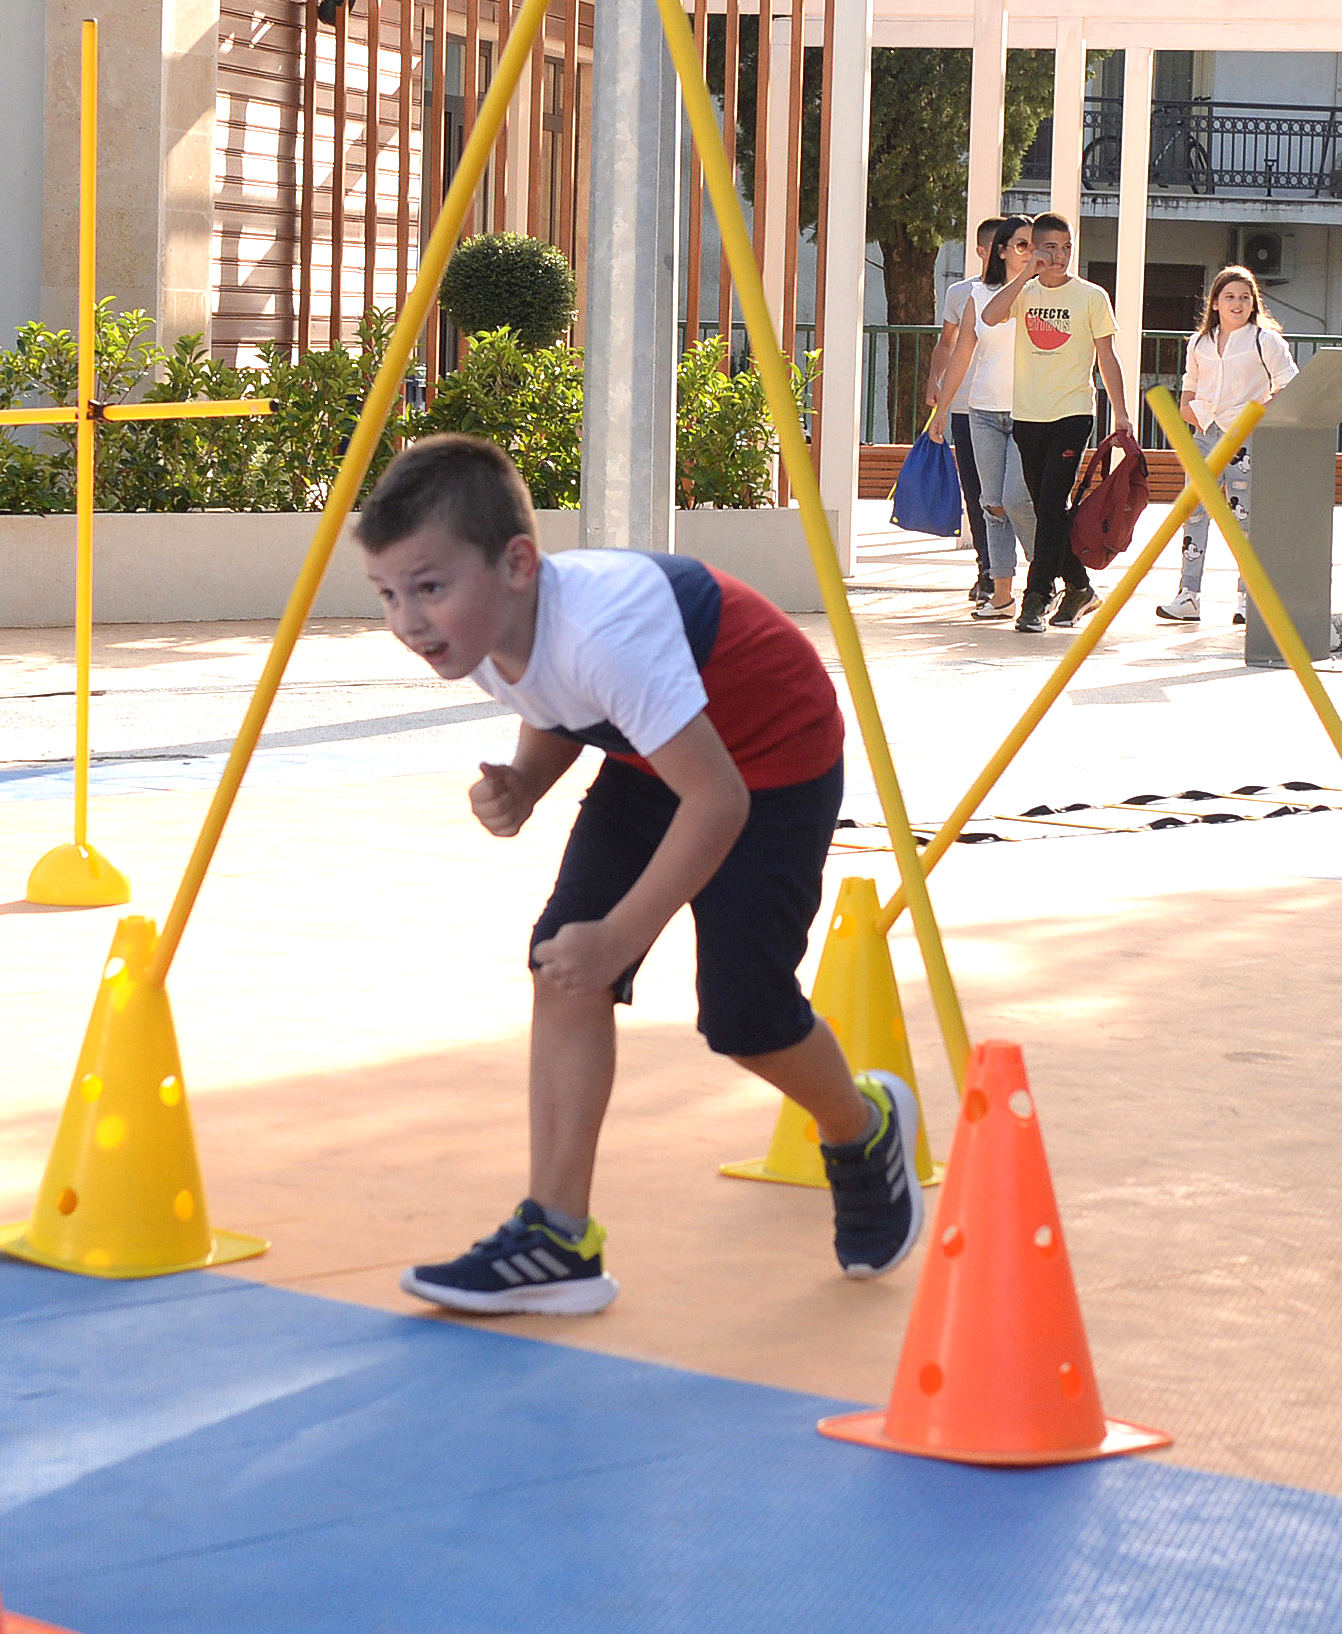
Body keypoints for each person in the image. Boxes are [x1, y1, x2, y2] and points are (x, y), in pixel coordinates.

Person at [351, 433, 920, 1314]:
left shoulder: (599, 632)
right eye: (388, 594)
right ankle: (556, 1236)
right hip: (660, 759)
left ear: (517, 563)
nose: (408, 621)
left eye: (428, 588)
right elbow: (554, 698)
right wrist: (528, 783)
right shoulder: (484, 630)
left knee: (745, 1016)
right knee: (560, 964)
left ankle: (862, 1129)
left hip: (771, 762)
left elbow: (720, 802)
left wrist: (622, 936)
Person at [981, 212, 1133, 635]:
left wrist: (1120, 413)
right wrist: (1026, 273)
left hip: (1072, 411)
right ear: (1033, 249)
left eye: (1067, 248)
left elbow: (1108, 356)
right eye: (1050, 247)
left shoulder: (1091, 296)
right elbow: (991, 316)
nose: (1061, 256)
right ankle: (1080, 586)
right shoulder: (1024, 293)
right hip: (1027, 415)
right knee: (1049, 509)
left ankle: (1036, 597)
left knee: (1049, 506)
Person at [1159, 264, 1296, 625]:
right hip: (1204, 433)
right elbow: (1191, 379)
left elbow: (1289, 385)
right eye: (1229, 296)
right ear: (1215, 302)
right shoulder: (1200, 341)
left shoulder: (1265, 340)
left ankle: (1248, 597)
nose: (1237, 303)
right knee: (1194, 511)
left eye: (1244, 297)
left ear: (1254, 303)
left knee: (1244, 516)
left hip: (1246, 437)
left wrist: (1255, 415)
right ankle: (1189, 594)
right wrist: (1187, 407)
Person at [923, 218, 1028, 620]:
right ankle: (995, 581)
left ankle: (1047, 572)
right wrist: (940, 400)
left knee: (1020, 499)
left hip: (1028, 412)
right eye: (1018, 245)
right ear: (994, 251)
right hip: (977, 410)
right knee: (987, 499)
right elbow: (954, 347)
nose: (1027, 252)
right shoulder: (969, 294)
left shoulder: (1040, 293)